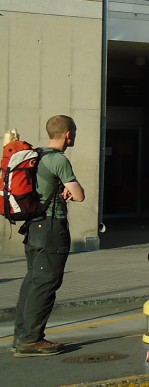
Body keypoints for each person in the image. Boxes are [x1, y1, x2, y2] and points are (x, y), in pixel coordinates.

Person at [11, 115, 85, 358]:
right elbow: (80, 194)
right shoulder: (58, 160)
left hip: (33, 227)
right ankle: (31, 341)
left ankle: (21, 336)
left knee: (33, 280)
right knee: (45, 283)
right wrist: (70, 189)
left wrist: (60, 189)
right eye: (73, 132)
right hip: (51, 228)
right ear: (68, 134)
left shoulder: (37, 156)